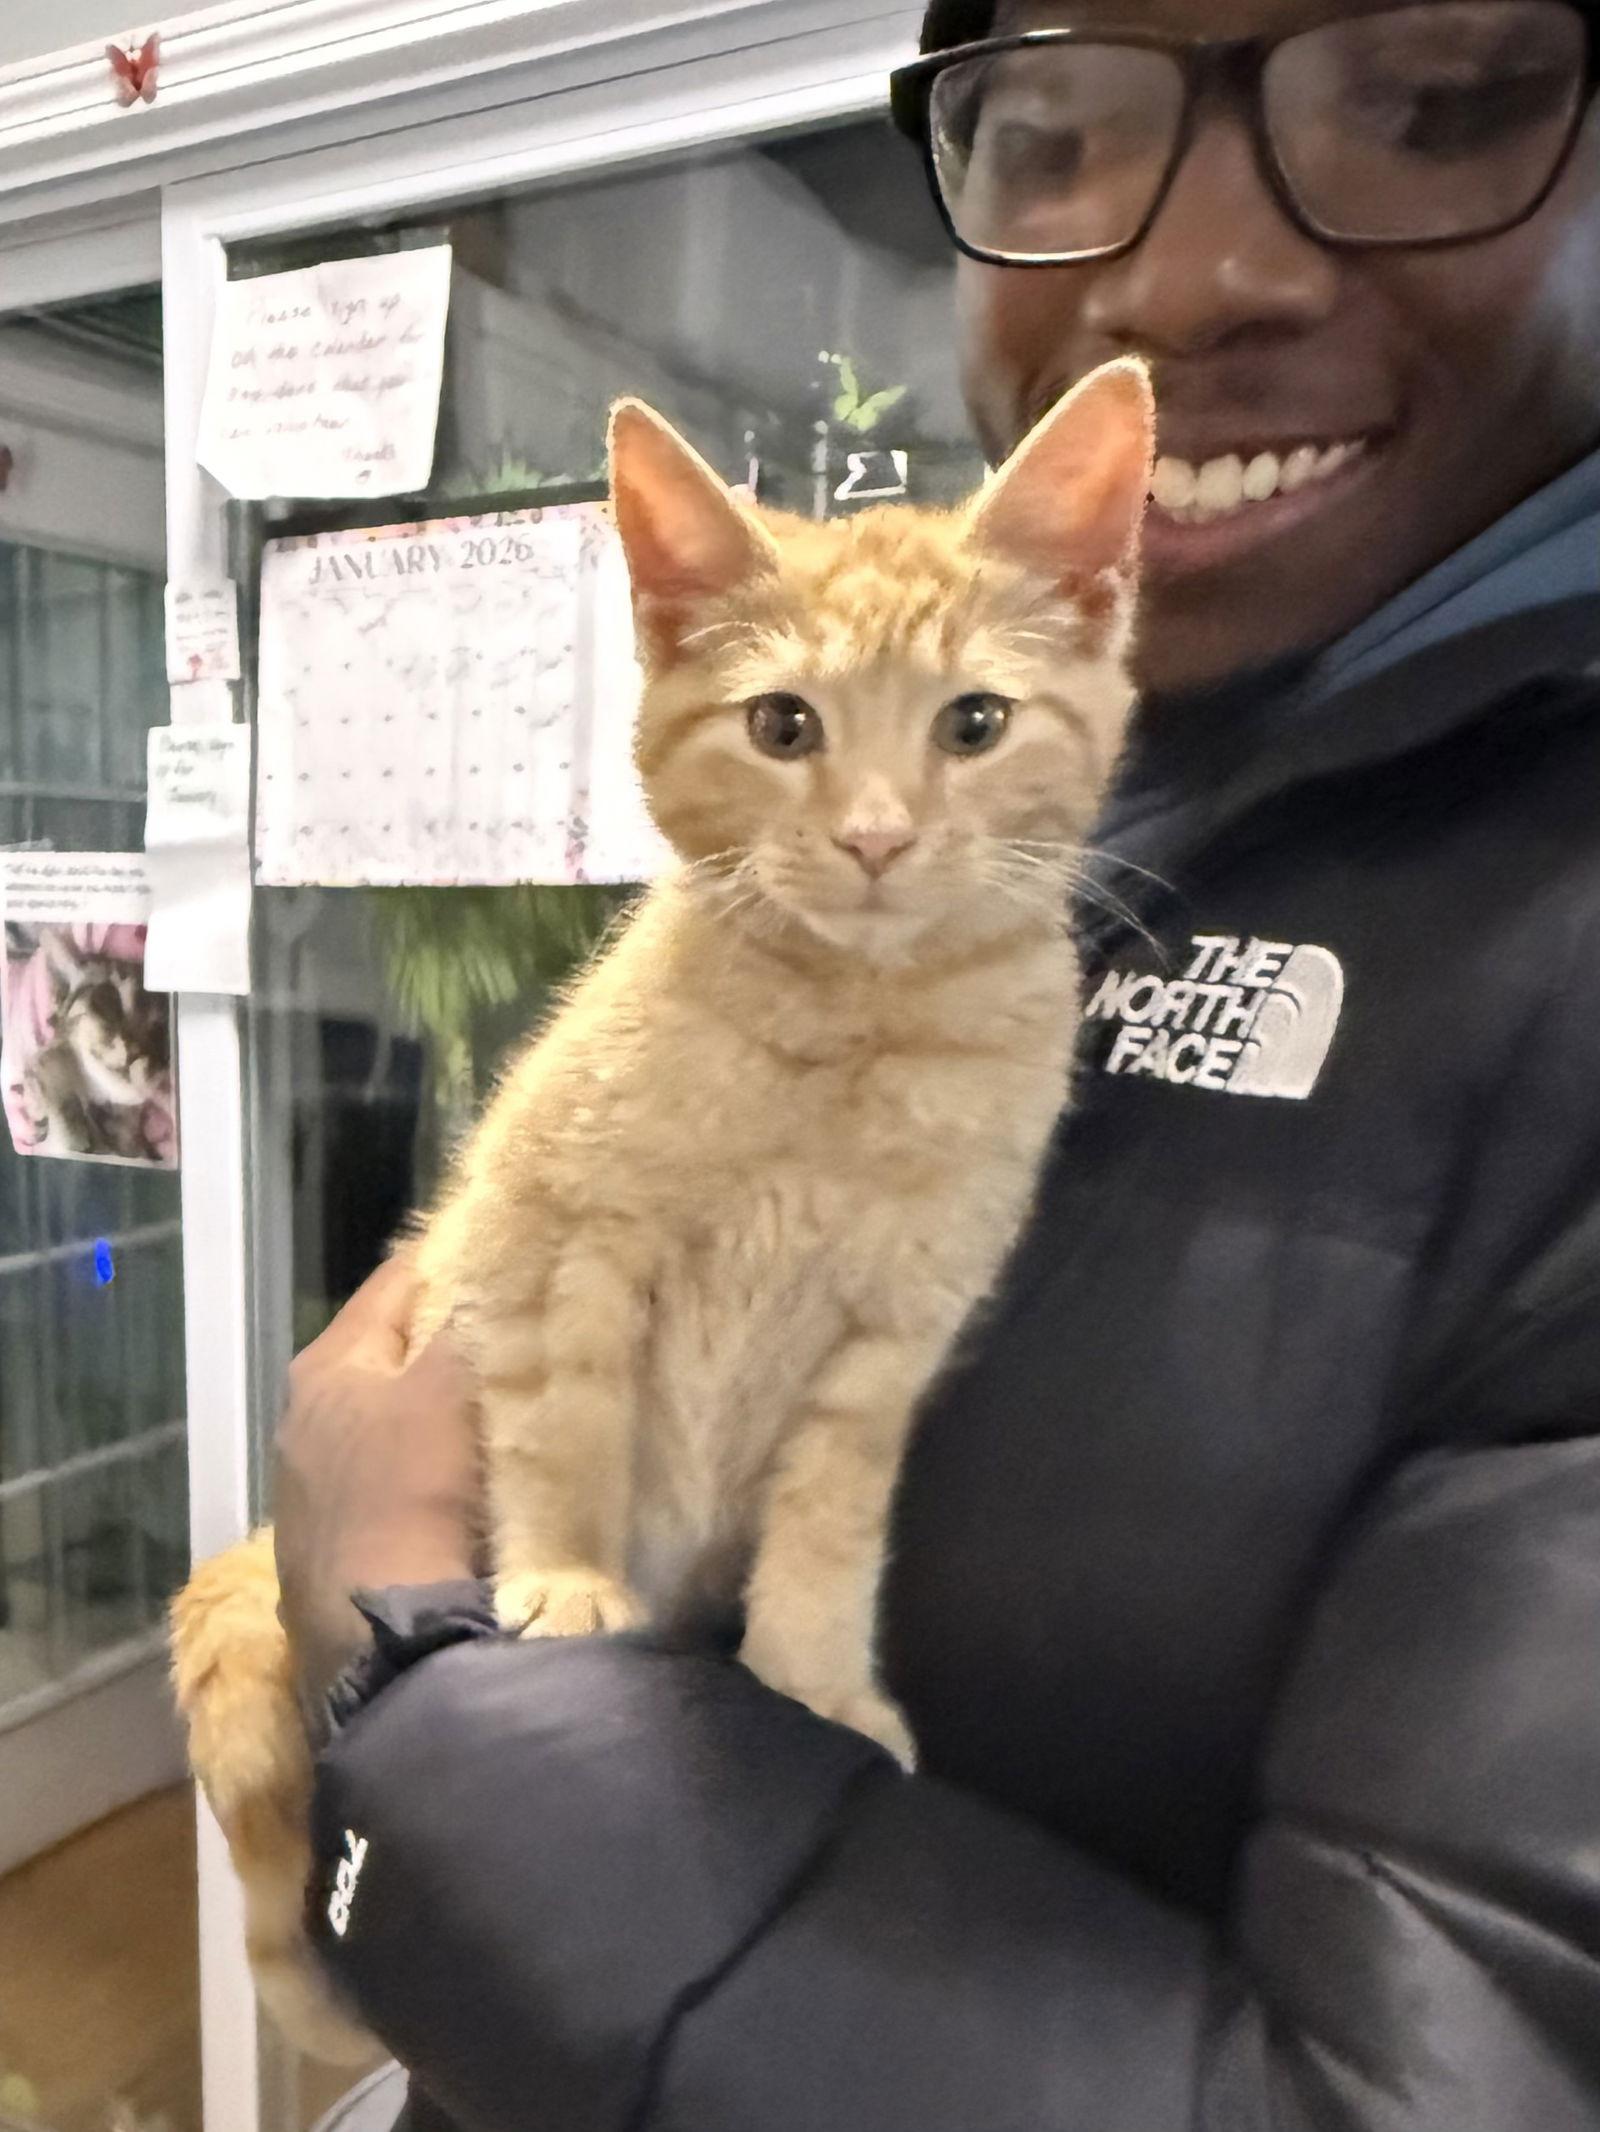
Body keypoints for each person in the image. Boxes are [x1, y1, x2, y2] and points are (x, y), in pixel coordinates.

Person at [276, 2, 1600, 2125]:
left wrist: (426, 1666)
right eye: (1059, 125)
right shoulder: (1127, 777)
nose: (1188, 281)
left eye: (1433, 98)